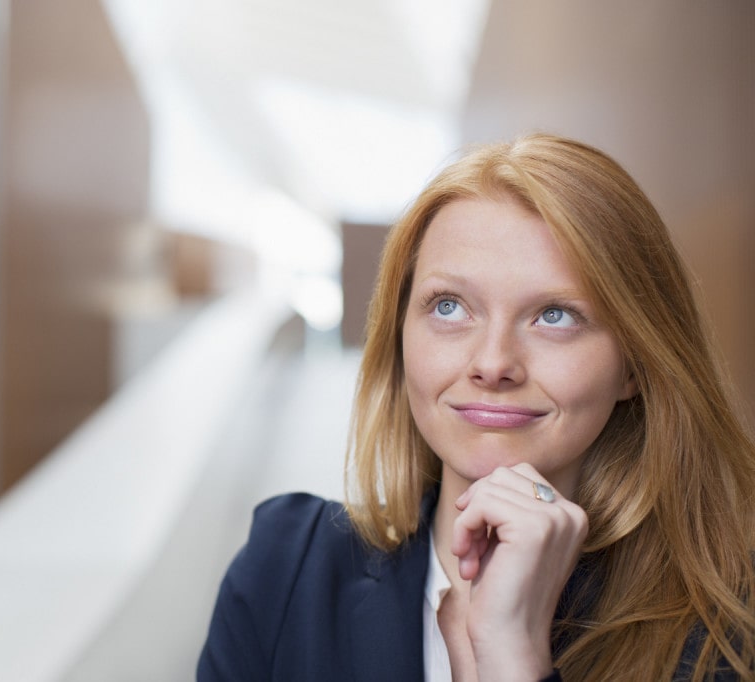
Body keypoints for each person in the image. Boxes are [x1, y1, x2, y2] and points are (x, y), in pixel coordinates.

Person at [197, 133, 755, 681]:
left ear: (634, 364)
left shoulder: (726, 634)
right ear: (400, 334)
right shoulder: (286, 570)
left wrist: (513, 659)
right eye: (448, 306)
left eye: (554, 315)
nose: (493, 364)